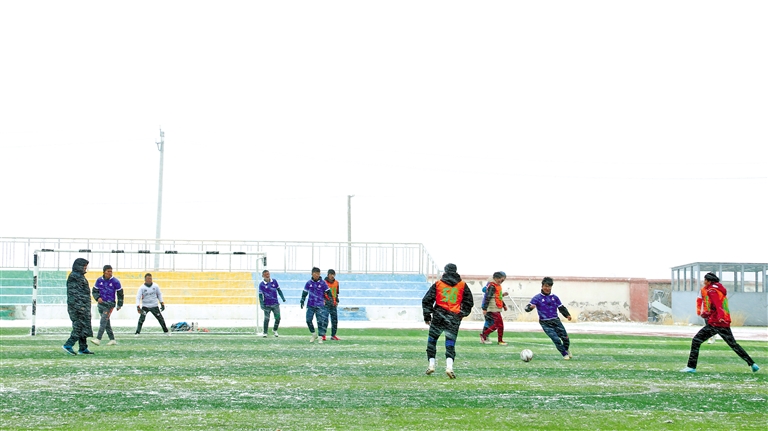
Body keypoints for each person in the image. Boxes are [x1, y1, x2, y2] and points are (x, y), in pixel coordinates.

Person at [680, 272, 760, 373]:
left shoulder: (712, 291)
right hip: (723, 322)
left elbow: (718, 305)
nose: (704, 282)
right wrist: (708, 314)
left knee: (696, 340)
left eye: (705, 280)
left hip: (716, 322)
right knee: (733, 344)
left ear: (709, 281)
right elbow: (718, 306)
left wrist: (719, 316)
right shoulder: (720, 290)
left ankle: (691, 367)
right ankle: (752, 364)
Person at [422, 263, 474, 379]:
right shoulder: (462, 285)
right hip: (453, 317)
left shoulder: (438, 284)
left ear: (445, 271)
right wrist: (462, 313)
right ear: (456, 271)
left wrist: (427, 315)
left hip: (439, 315)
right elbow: (469, 302)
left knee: (432, 341)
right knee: (450, 343)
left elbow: (427, 300)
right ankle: (449, 367)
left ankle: (431, 365)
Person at [524, 277, 573, 360]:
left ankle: (566, 349)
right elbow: (527, 308)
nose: (547, 288)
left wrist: (567, 315)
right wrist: (530, 308)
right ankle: (564, 354)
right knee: (556, 339)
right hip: (545, 323)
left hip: (556, 321)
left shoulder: (555, 297)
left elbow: (561, 307)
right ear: (542, 286)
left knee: (566, 338)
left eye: (549, 286)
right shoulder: (537, 298)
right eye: (546, 286)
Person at [62, 258, 94, 355]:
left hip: (83, 306)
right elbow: (74, 293)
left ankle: (83, 348)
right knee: (79, 327)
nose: (85, 268)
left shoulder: (80, 276)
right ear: (79, 266)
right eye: (84, 266)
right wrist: (80, 306)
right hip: (77, 307)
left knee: (84, 326)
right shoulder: (74, 277)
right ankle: (68, 345)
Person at [91, 264, 124, 346]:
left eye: (111, 271)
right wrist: (97, 298)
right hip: (101, 304)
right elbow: (94, 291)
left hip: (109, 304)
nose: (110, 273)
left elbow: (120, 293)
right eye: (108, 271)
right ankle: (112, 339)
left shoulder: (115, 281)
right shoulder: (99, 280)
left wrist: (119, 304)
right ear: (104, 272)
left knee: (103, 321)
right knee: (106, 322)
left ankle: (98, 339)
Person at [300, 267, 331, 344]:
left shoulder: (323, 283)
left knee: (320, 321)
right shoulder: (308, 283)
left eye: (318, 273)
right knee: (308, 320)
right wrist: (302, 300)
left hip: (320, 305)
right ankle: (314, 334)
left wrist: (329, 300)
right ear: (312, 274)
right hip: (310, 305)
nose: (317, 275)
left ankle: (320, 337)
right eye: (316, 273)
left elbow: (328, 292)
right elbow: (305, 292)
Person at [480, 271, 509, 345]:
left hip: (496, 308)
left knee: (497, 324)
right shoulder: (492, 286)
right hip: (492, 308)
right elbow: (488, 297)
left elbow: (498, 297)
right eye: (501, 279)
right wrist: (485, 308)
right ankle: (488, 336)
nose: (501, 281)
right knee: (498, 324)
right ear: (496, 278)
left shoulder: (497, 285)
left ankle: (485, 335)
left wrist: (504, 305)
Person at [258, 269, 285, 337]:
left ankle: (275, 330)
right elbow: (260, 295)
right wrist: (261, 304)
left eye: (268, 274)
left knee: (278, 318)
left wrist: (282, 297)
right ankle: (265, 332)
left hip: (275, 304)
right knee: (266, 319)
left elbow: (279, 290)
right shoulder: (261, 284)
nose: (267, 276)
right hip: (267, 305)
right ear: (263, 276)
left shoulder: (274, 281)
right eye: (266, 275)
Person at [319, 268, 341, 341]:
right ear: (328, 275)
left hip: (333, 304)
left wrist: (337, 301)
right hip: (326, 304)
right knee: (325, 320)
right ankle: (323, 335)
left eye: (333, 274)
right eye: (331, 274)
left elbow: (336, 293)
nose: (332, 276)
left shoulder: (336, 283)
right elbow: (320, 293)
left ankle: (333, 335)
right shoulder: (323, 282)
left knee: (334, 321)